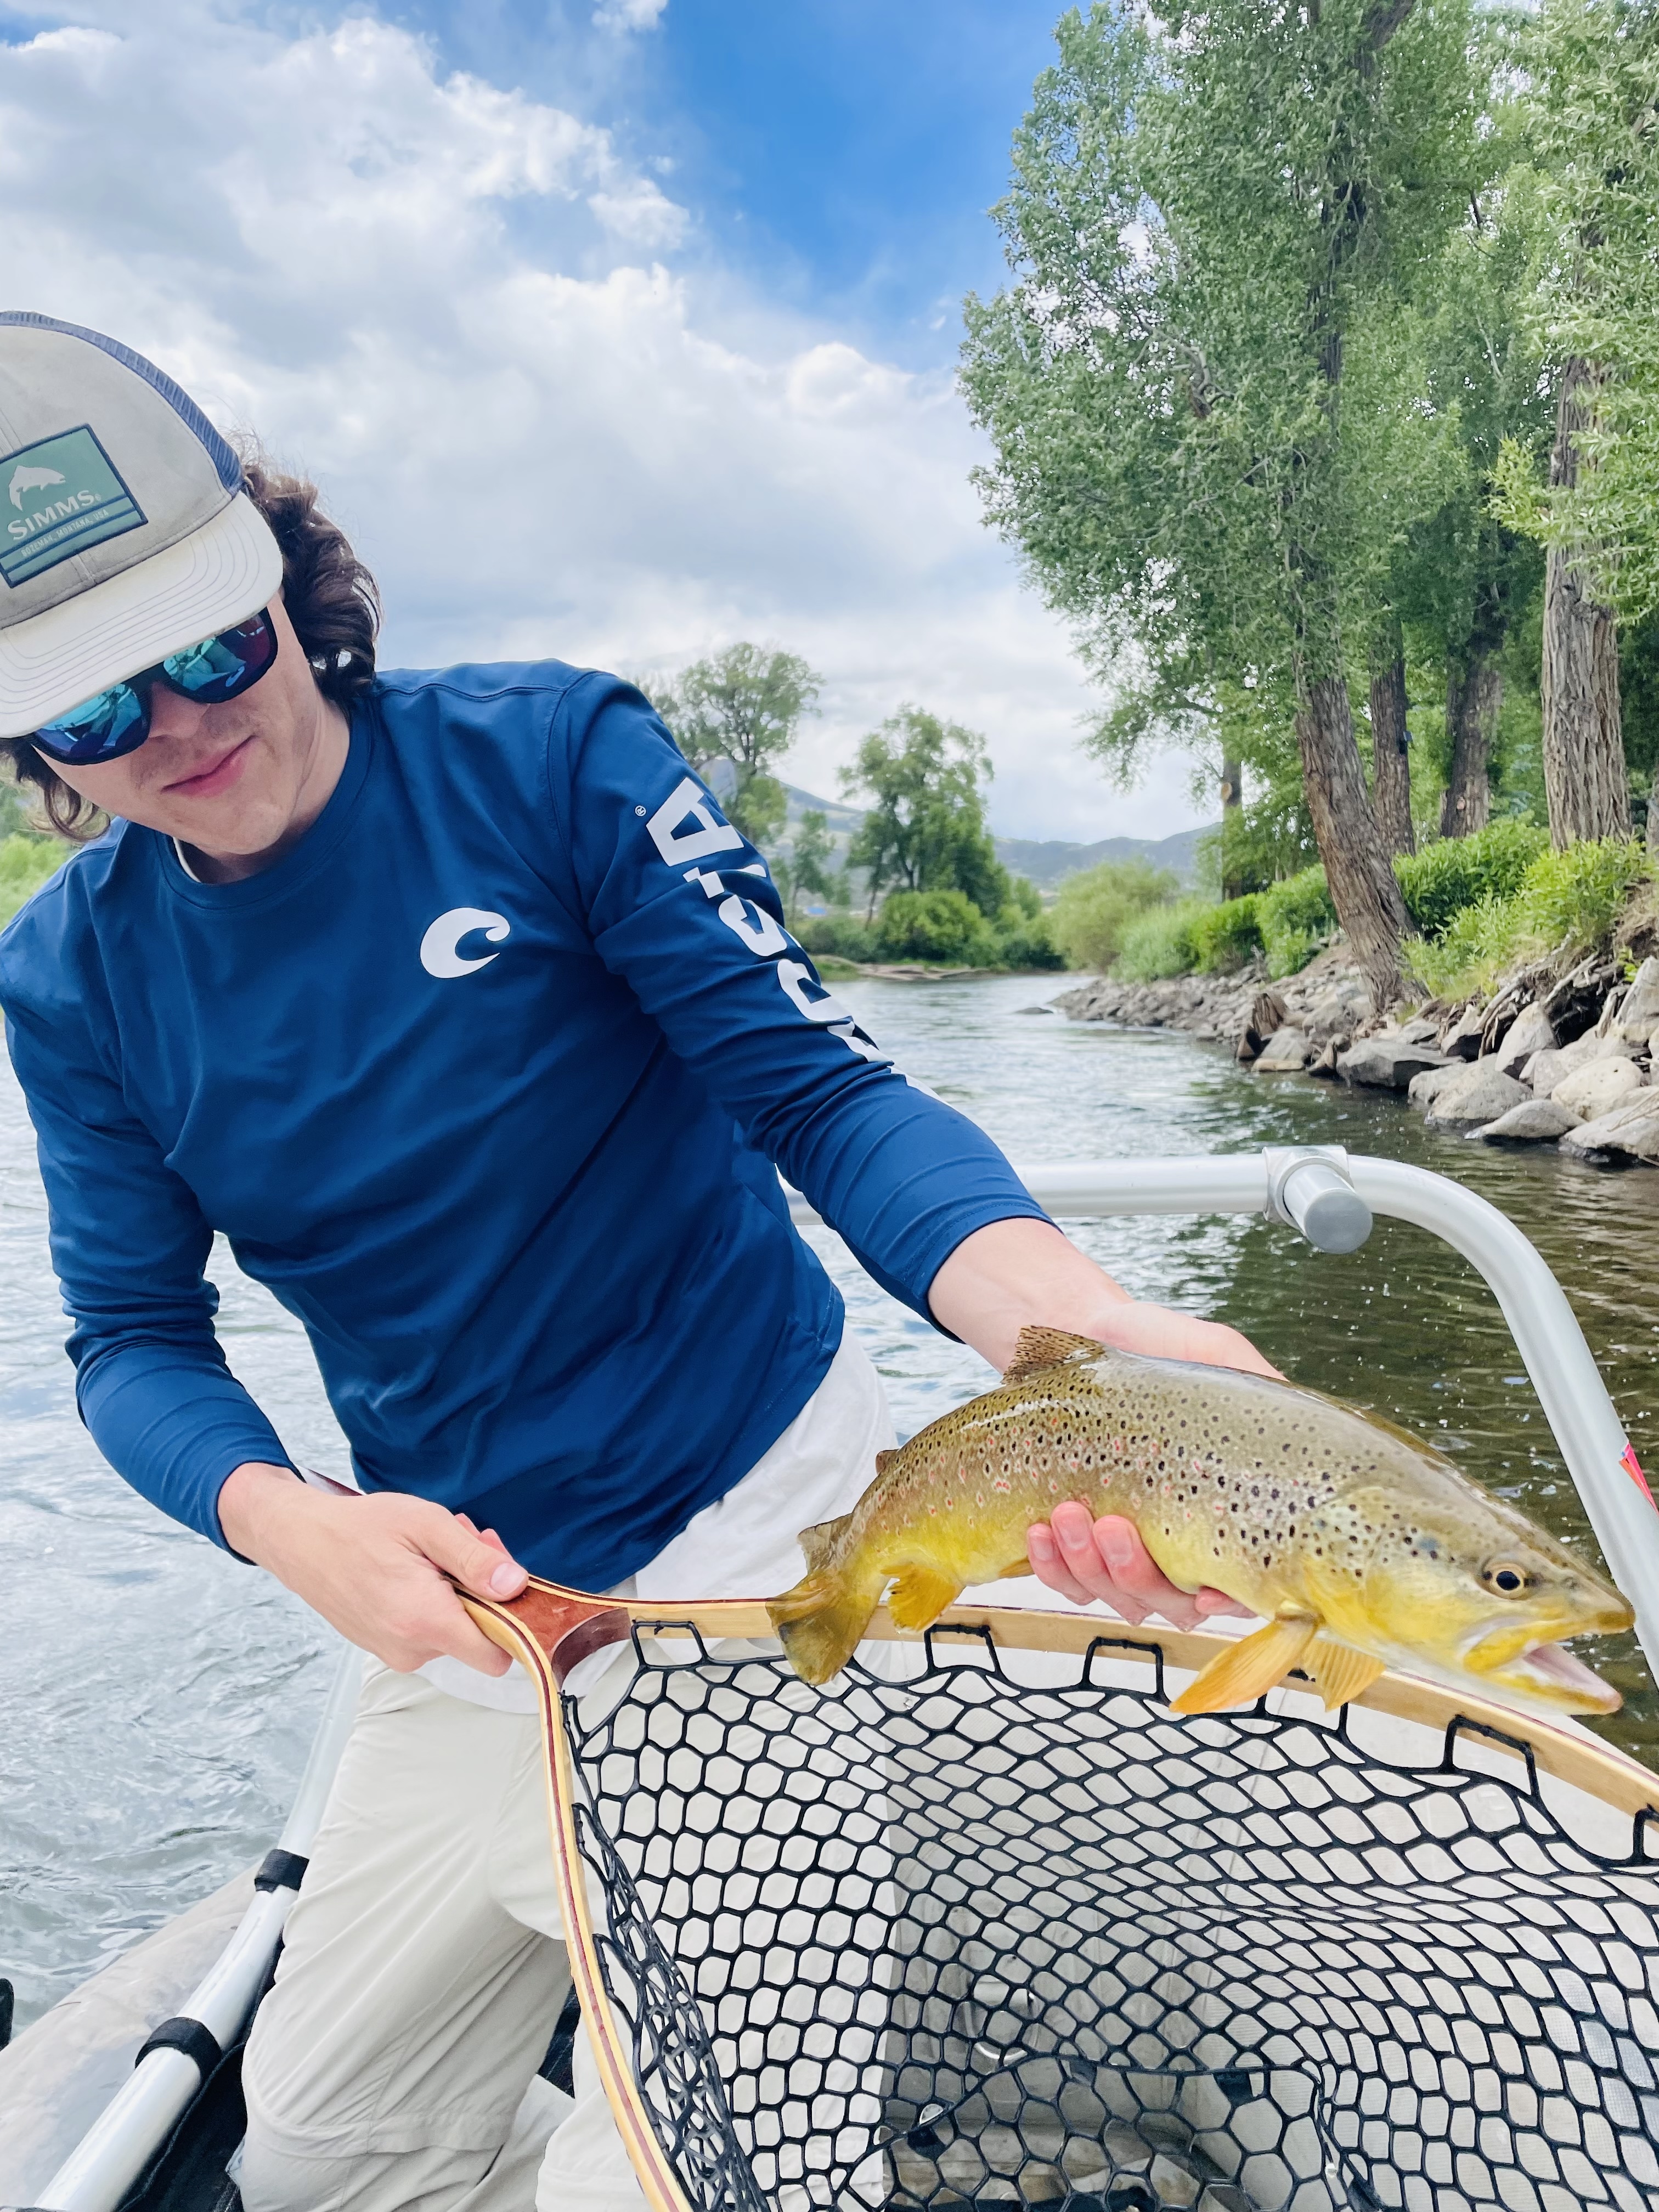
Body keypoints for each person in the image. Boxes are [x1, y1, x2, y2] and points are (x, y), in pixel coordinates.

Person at [0, 313, 1266, 2212]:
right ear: (36, 751)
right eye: (94, 713)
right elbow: (126, 1341)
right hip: (462, 1613)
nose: (177, 729)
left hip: (747, 1535)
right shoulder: (70, 975)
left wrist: (1070, 1325)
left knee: (703, 2177)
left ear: (279, 579)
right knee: (323, 2164)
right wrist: (293, 1525)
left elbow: (824, 1099)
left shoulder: (554, 762)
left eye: (203, 648)